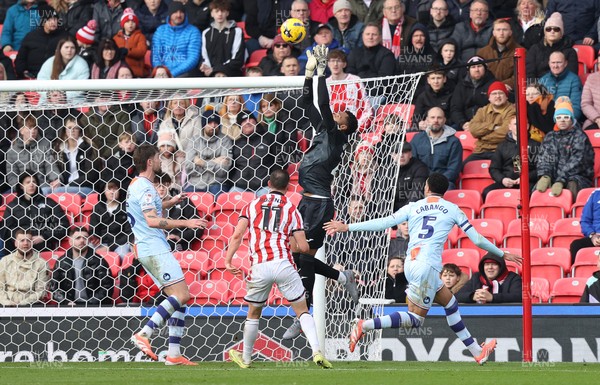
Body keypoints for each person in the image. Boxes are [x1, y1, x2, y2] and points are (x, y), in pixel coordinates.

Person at [324, 172, 522, 361]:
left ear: (427, 188)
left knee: (450, 304)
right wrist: (502, 253)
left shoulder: (413, 207)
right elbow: (478, 240)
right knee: (415, 320)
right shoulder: (453, 209)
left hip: (413, 263)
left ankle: (477, 351)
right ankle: (365, 325)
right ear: (444, 191)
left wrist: (348, 226)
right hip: (426, 266)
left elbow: (385, 222)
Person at [283, 44, 360, 340]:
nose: (339, 112)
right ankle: (341, 277)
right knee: (298, 258)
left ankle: (306, 311)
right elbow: (307, 101)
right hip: (306, 202)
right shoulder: (323, 132)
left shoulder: (337, 138)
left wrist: (323, 70)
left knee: (302, 258)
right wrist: (308, 71)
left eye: (344, 114)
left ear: (344, 126)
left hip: (319, 205)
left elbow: (324, 104)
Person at [225, 169, 332, 369]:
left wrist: (228, 260)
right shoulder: (292, 209)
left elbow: (237, 235)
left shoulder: (252, 205)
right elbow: (304, 247)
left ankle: (246, 359)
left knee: (253, 313)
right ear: (288, 187)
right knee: (302, 311)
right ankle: (317, 351)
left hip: (260, 265)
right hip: (283, 264)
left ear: (268, 184)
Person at [128, 144, 207, 366]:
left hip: (149, 247)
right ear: (150, 162)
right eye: (157, 157)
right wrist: (186, 222)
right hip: (153, 247)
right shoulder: (144, 187)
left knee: (178, 299)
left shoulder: (138, 185)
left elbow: (147, 212)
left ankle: (173, 354)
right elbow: (152, 220)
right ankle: (144, 333)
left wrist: (170, 202)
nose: (161, 161)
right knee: (182, 295)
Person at [535, 97, 594, 201]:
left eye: (566, 117)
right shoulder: (550, 136)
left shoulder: (580, 136)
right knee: (538, 188)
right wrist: (545, 175)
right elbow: (543, 158)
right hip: (553, 176)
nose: (562, 120)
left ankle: (572, 214)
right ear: (555, 120)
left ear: (571, 119)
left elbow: (577, 162)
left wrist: (561, 180)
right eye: (559, 117)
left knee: (572, 184)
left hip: (577, 177)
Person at [1, 172, 69, 254]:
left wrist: (43, 237)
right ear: (21, 186)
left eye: (34, 182)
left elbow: (63, 225)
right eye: (28, 182)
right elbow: (6, 228)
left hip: (41, 247)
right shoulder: (13, 205)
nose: (31, 184)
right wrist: (20, 238)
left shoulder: (49, 203)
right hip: (17, 249)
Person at [50, 226, 115, 305]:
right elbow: (54, 287)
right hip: (69, 307)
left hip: (94, 307)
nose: (82, 240)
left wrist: (91, 303)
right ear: (70, 241)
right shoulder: (62, 262)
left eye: (85, 238)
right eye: (78, 238)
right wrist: (66, 302)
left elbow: (107, 287)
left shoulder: (99, 261)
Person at [482, 116, 540, 200]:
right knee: (487, 192)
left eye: (522, 124)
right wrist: (503, 179)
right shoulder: (502, 146)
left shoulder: (536, 145)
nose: (519, 126)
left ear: (527, 126)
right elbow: (494, 168)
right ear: (510, 127)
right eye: (516, 124)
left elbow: (540, 169)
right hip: (506, 182)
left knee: (529, 195)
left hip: (528, 182)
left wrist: (526, 178)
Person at [463, 81, 516, 165]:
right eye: (494, 94)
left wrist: (482, 136)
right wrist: (493, 127)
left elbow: (505, 133)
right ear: (489, 98)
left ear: (506, 96)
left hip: (501, 151)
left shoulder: (512, 111)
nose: (497, 96)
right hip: (480, 151)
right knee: (463, 167)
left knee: (497, 170)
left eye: (500, 93)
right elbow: (473, 130)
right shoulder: (482, 111)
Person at [6, 114, 61, 193]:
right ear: (21, 130)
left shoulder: (45, 144)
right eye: (29, 128)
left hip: (43, 186)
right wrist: (22, 188)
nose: (33, 131)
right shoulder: (12, 151)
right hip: (22, 189)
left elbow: (50, 166)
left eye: (35, 128)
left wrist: (56, 179)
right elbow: (12, 176)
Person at [228, 111, 279, 196]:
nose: (247, 122)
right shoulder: (237, 144)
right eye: (244, 121)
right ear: (240, 126)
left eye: (250, 119)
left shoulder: (269, 138)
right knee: (230, 199)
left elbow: (279, 162)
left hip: (264, 186)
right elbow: (232, 167)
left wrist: (271, 181)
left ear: (255, 121)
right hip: (240, 187)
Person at [410, 107, 463, 190]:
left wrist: (437, 182)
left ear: (444, 120)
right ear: (427, 120)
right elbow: (413, 164)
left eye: (439, 117)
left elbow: (453, 169)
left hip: (444, 182)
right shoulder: (417, 139)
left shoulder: (454, 142)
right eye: (432, 117)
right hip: (421, 181)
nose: (436, 120)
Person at [183, 109, 233, 196]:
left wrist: (201, 163)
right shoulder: (194, 140)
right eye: (209, 123)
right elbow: (188, 168)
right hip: (196, 184)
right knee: (185, 203)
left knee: (219, 203)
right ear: (203, 124)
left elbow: (223, 170)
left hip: (217, 184)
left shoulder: (225, 140)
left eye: (216, 123)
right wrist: (215, 161)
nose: (213, 126)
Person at [154, 172, 204, 252]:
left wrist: (179, 236)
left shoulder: (183, 201)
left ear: (169, 185)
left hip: (176, 245)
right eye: (157, 185)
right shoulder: (147, 205)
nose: (161, 188)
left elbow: (199, 227)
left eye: (164, 184)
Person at [327, 49, 373, 133]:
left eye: (339, 61)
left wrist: (356, 128)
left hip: (355, 131)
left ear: (344, 64)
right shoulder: (325, 84)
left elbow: (366, 107)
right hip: (331, 132)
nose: (335, 64)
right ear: (328, 64)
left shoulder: (355, 80)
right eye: (332, 61)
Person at [52, 114, 99, 196]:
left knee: (56, 193)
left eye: (76, 128)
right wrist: (59, 180)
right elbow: (58, 171)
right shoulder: (60, 150)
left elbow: (91, 175)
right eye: (69, 128)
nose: (72, 130)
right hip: (65, 187)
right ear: (65, 131)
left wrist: (71, 184)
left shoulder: (88, 148)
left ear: (80, 130)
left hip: (85, 187)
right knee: (44, 191)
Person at [0, 229, 49, 307]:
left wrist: (22, 304)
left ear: (32, 243)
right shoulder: (5, 261)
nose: (25, 243)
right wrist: (7, 302)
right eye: (22, 240)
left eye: (28, 240)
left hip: (31, 306)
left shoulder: (41, 263)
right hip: (6, 305)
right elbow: (0, 286)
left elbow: (41, 291)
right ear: (16, 243)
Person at [151, 1, 201, 77]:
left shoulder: (193, 31)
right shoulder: (160, 31)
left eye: (181, 12)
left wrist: (172, 74)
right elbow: (156, 55)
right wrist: (160, 68)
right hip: (162, 73)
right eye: (175, 12)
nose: (178, 15)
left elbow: (193, 58)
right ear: (170, 14)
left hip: (184, 74)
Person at [14, 9, 68, 79]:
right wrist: (23, 71)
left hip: (56, 76)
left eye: (55, 19)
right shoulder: (31, 36)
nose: (53, 22)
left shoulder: (65, 37)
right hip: (32, 76)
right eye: (49, 20)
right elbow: (20, 59)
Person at [199, 0, 245, 78]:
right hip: (211, 75)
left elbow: (238, 60)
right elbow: (204, 57)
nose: (220, 14)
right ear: (212, 14)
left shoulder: (237, 31)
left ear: (227, 13)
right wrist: (205, 66)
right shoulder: (206, 33)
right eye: (216, 11)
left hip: (231, 75)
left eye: (222, 11)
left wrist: (216, 70)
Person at [526, 12, 578, 80]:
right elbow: (530, 74)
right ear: (545, 33)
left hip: (562, 87)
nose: (552, 31)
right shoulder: (534, 49)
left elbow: (571, 75)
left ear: (561, 34)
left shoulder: (570, 52)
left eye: (556, 29)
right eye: (548, 29)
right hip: (538, 87)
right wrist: (536, 87)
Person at [449, 55, 496, 131]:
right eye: (473, 67)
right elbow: (455, 109)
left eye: (479, 66)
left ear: (485, 68)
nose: (476, 69)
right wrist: (463, 123)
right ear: (468, 70)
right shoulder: (461, 85)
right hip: (465, 124)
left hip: (486, 124)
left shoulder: (493, 84)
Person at [89, 180, 133, 260]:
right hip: (101, 243)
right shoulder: (98, 208)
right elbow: (93, 228)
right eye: (109, 189)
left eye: (115, 189)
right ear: (104, 191)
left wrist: (109, 247)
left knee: (123, 254)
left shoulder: (126, 208)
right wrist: (94, 236)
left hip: (120, 244)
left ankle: (121, 272)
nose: (112, 192)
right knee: (86, 251)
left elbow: (129, 234)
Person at [456, 253, 523, 303]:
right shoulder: (477, 277)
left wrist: (492, 297)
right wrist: (472, 296)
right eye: (487, 264)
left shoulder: (513, 278)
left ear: (501, 267)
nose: (490, 267)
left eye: (494, 264)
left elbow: (518, 297)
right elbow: (457, 296)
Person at [476, 18, 521, 90]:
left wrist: (502, 86)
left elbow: (520, 75)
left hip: (509, 90)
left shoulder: (521, 51)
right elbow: (478, 73)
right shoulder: (482, 52)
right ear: (493, 33)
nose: (501, 33)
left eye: (505, 30)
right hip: (486, 90)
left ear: (510, 32)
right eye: (498, 30)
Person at [539, 51, 583, 122]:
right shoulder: (542, 80)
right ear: (549, 63)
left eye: (559, 62)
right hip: (547, 121)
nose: (556, 66)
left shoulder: (574, 80)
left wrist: (568, 121)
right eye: (553, 63)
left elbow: (576, 106)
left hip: (566, 120)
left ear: (565, 63)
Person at [391, 142, 429, 211]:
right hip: (390, 211)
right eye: (397, 152)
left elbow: (417, 193)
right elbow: (381, 195)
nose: (401, 155)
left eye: (404, 152)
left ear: (410, 154)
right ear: (392, 155)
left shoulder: (420, 168)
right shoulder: (387, 170)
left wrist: (403, 213)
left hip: (412, 210)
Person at [113, 8, 148, 78]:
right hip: (120, 71)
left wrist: (128, 51)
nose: (130, 24)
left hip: (136, 72)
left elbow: (142, 51)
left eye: (133, 22)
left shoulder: (140, 36)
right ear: (123, 24)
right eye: (127, 22)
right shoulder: (116, 37)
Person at [570, 189, 600, 264]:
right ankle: (575, 273)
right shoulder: (595, 194)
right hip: (596, 237)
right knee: (576, 245)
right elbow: (585, 221)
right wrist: (592, 235)